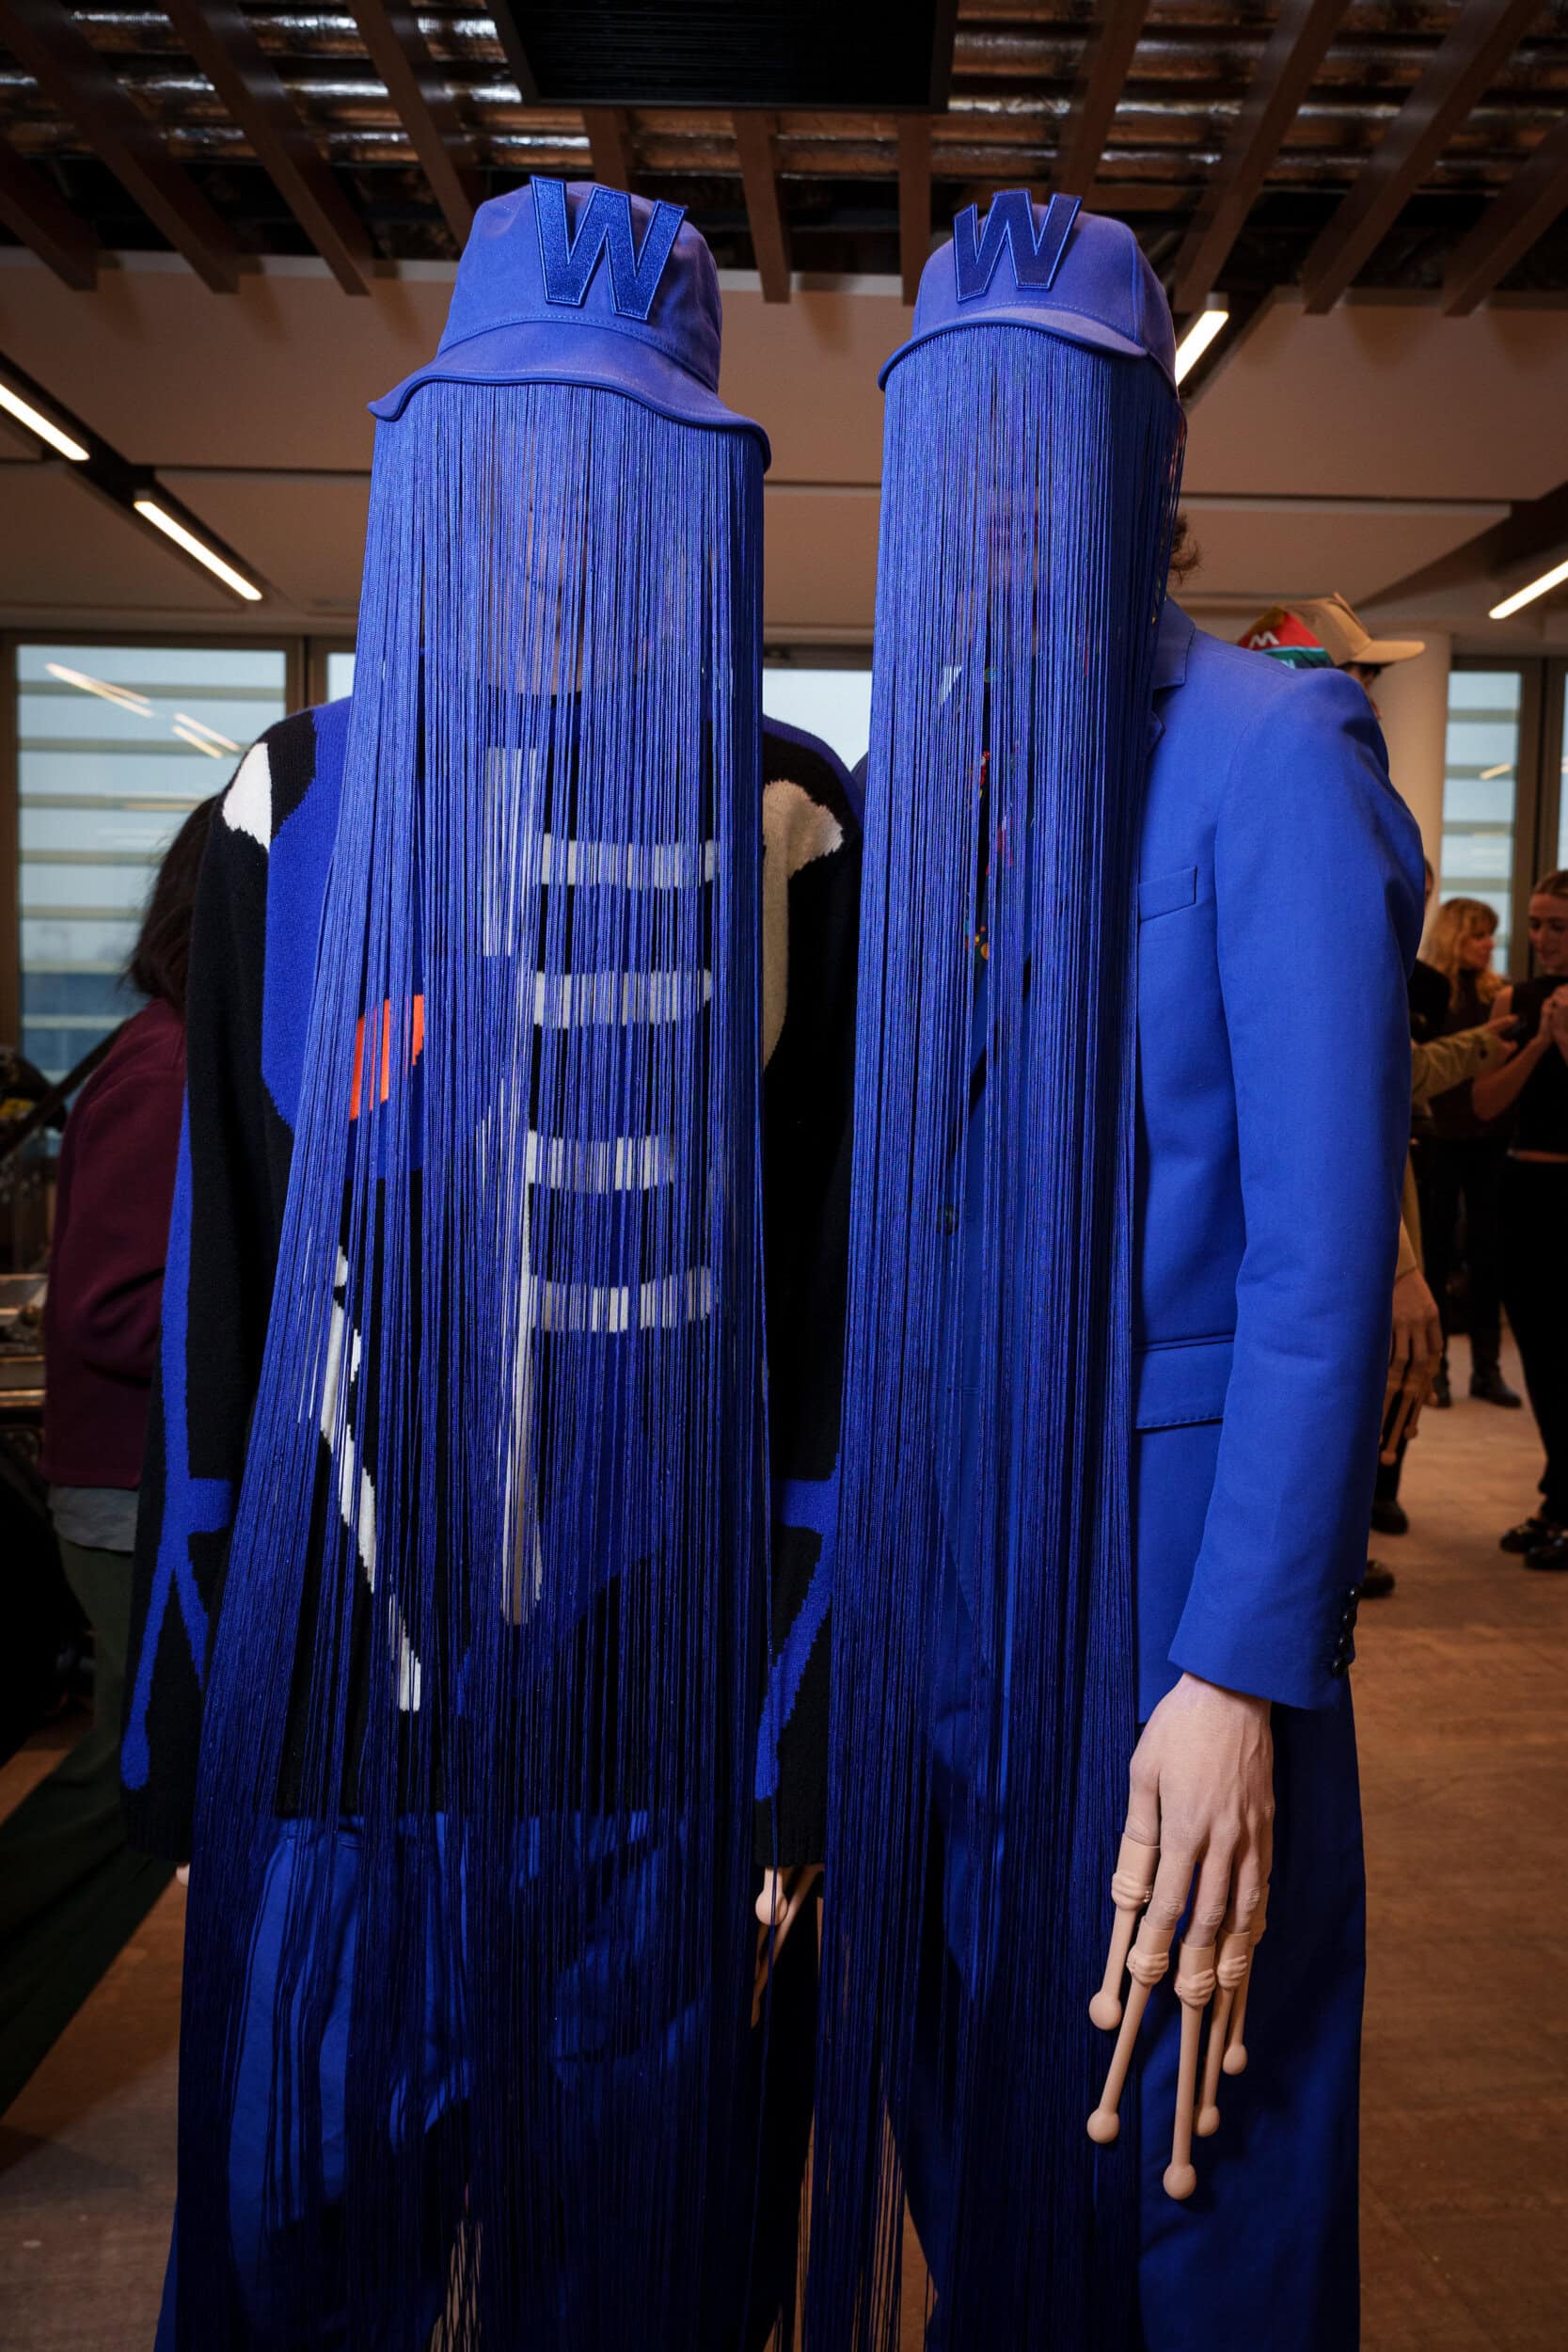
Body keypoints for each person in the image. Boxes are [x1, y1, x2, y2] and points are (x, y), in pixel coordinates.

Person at [121, 183, 851, 2349]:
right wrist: (192, 1710)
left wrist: (792, 1746)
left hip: (658, 1723)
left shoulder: (789, 816)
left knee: (628, 2283)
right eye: (519, 443)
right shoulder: (298, 797)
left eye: (614, 447)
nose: (559, 503)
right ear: (447, 459)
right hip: (340, 1715)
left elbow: (827, 1322)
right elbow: (222, 1289)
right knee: (306, 2262)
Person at [807, 195, 1421, 2351]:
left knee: (1187, 2139)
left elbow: (1318, 1264)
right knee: (970, 2114)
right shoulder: (920, 776)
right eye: (962, 443)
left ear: (1149, 460)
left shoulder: (1270, 750)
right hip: (937, 1585)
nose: (1004, 494)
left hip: (1163, 1589)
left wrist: (1240, 1669)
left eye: (1051, 432)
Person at [0, 799, 213, 2110]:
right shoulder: (167, 1068)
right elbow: (108, 1311)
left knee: (152, 1772)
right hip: (127, 1490)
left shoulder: (180, 1054)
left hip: (147, 1483)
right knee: (140, 1776)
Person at [1474, 870, 1568, 1570]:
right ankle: (1557, 1499)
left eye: (1556, 926)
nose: (1541, 938)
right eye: (1534, 923)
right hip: (1523, 1188)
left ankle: (1560, 1503)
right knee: (1538, 1353)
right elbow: (1484, 1103)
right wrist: (1537, 1043)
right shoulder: (1515, 998)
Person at [1419, 895, 1520, 1408]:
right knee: (1435, 1256)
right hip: (1439, 1140)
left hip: (1490, 1139)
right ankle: (1434, 1370)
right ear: (1454, 935)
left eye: (1489, 935)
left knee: (1488, 1254)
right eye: (1478, 934)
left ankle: (1487, 1368)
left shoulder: (1499, 994)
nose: (1487, 944)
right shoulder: (1429, 994)